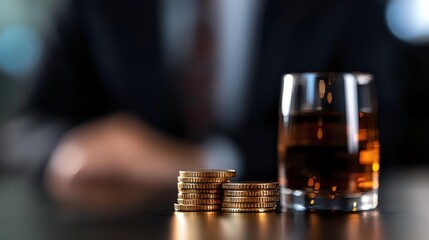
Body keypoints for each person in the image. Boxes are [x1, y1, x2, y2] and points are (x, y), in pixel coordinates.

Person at [2, 0, 396, 213]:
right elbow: (27, 129)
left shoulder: (343, 7)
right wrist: (67, 150)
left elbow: (389, 122)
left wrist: (205, 159)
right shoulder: (95, 7)